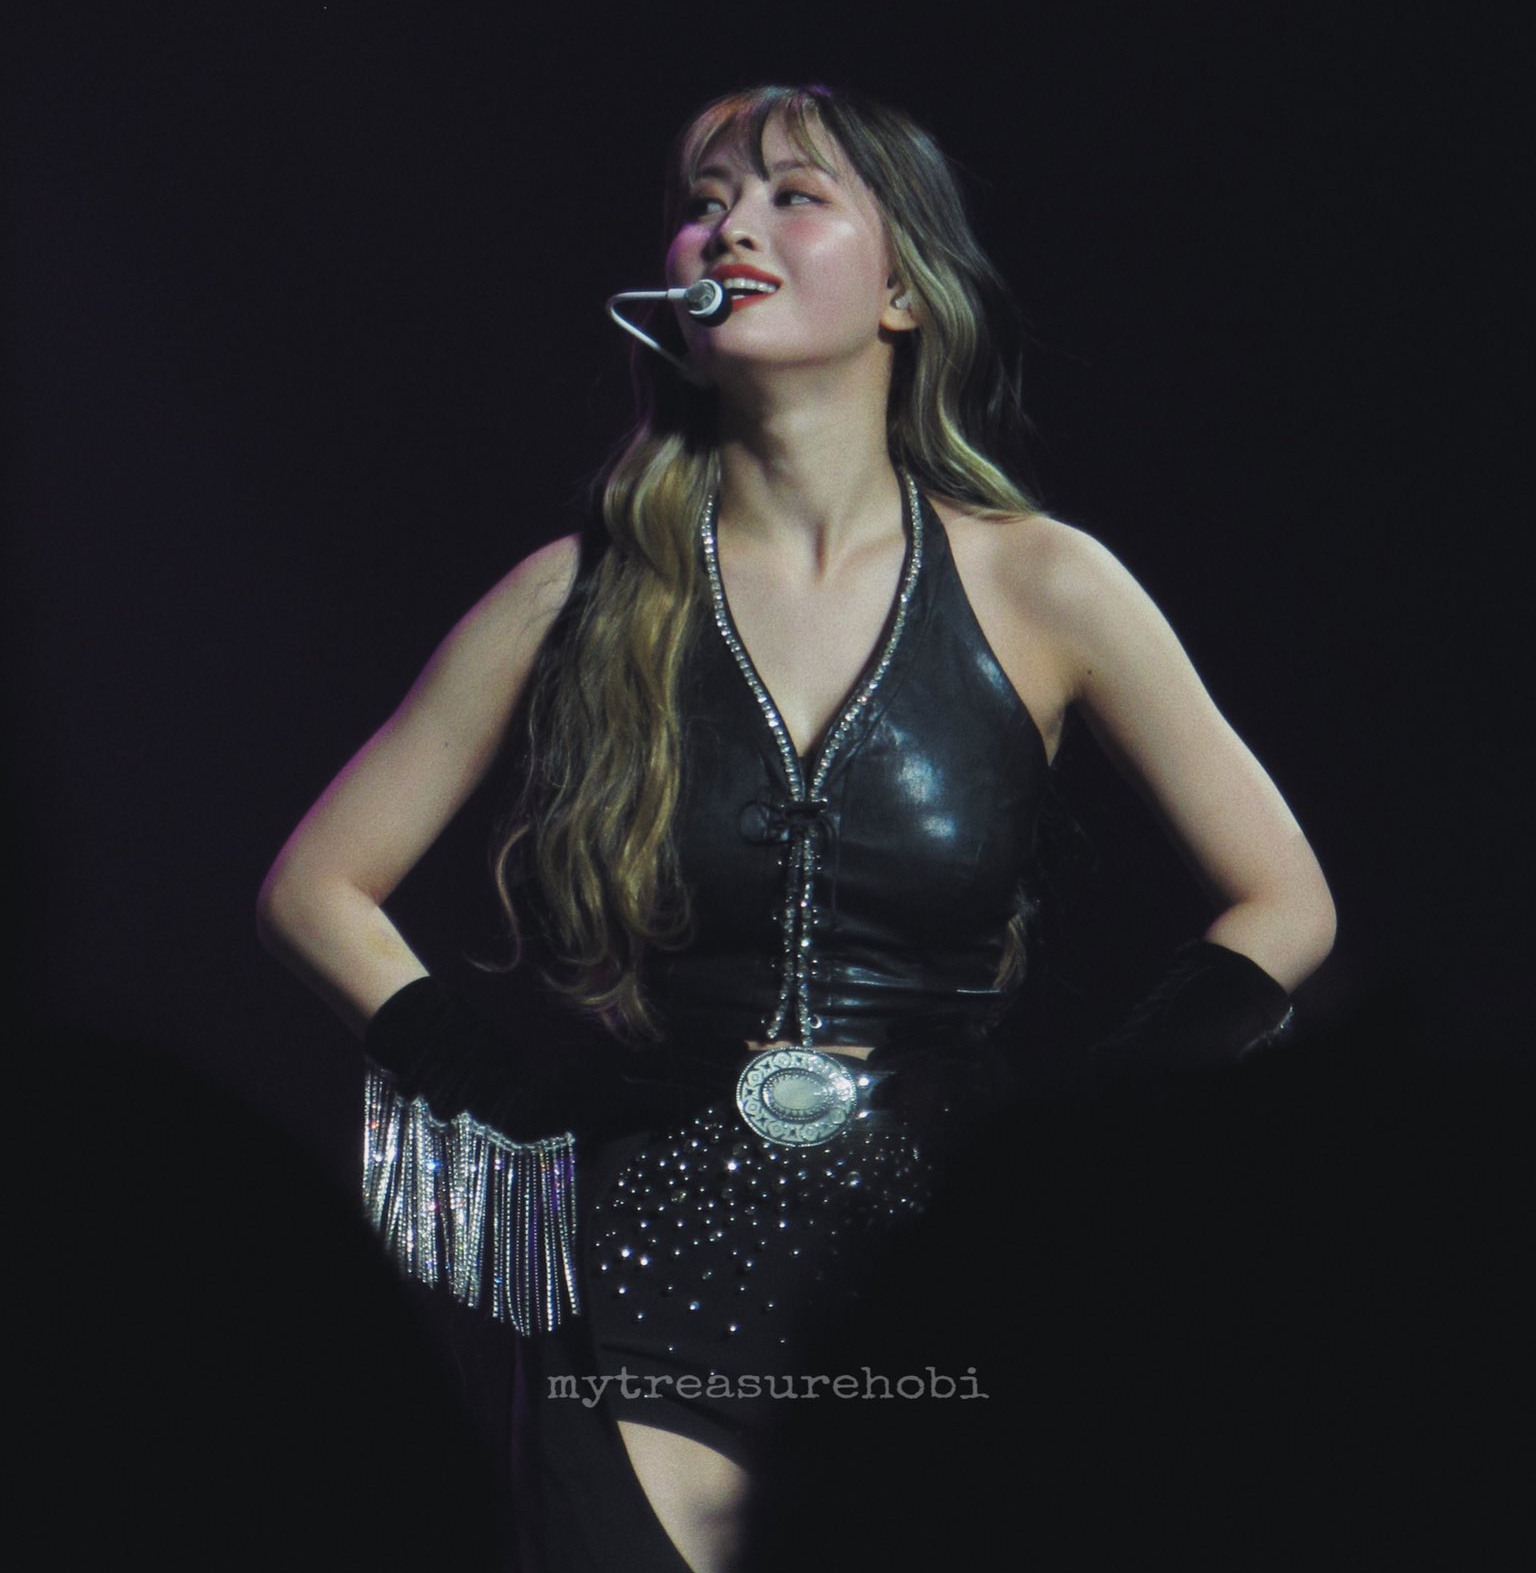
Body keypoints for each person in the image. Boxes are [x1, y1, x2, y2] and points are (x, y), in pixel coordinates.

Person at [257, 84, 1335, 1573]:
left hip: (942, 1287)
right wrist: (500, 1093)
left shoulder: (1046, 581)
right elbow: (317, 885)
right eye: (705, 203)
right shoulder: (577, 592)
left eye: (791, 194)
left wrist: (1077, 1151)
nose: (730, 227)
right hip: (636, 1278)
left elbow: (1286, 899)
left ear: (905, 292)